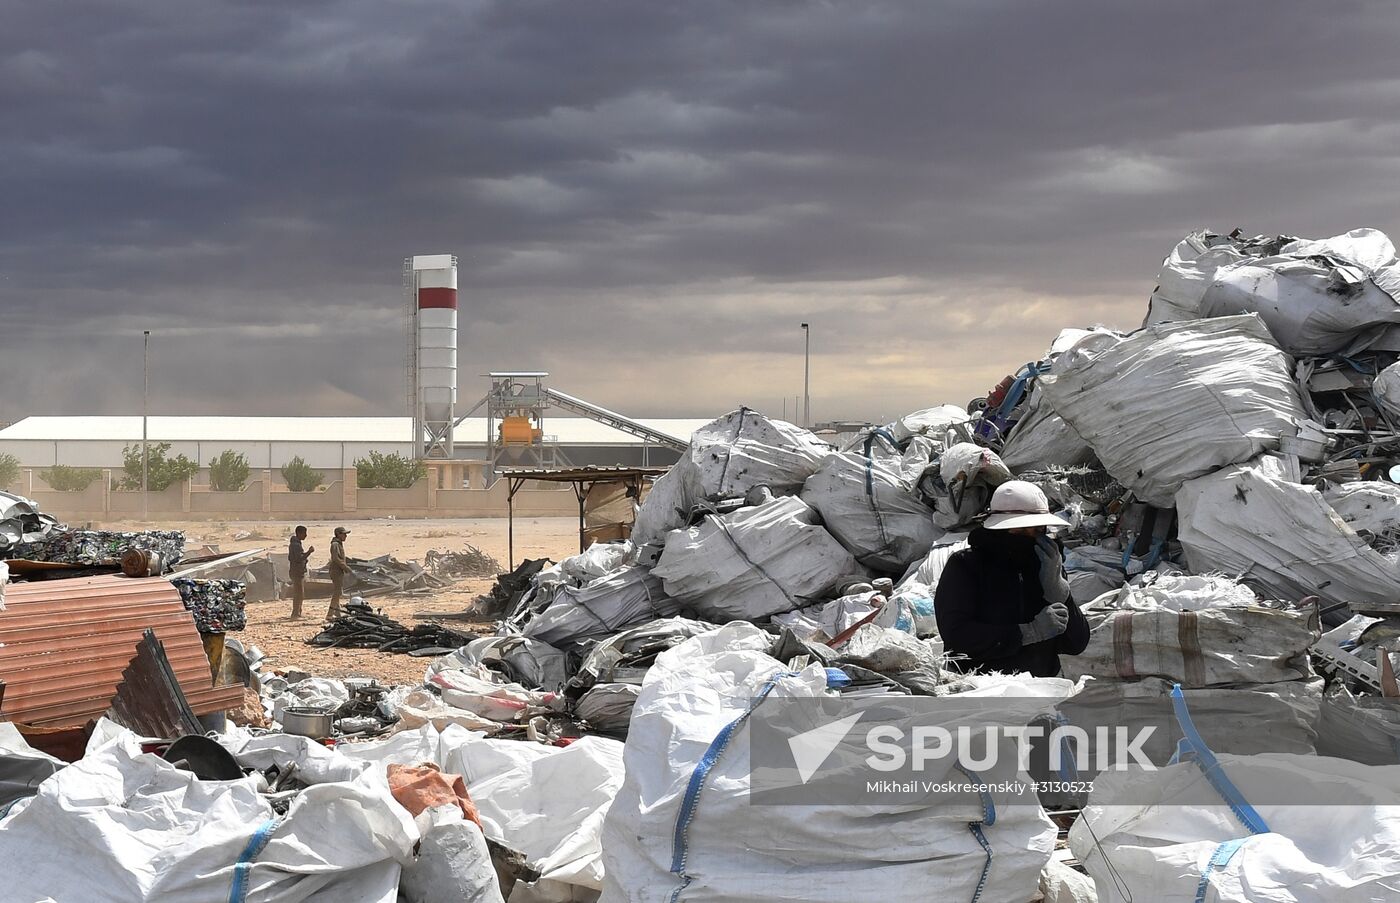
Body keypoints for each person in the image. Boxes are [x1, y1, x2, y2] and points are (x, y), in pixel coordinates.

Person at [934, 480, 1089, 677]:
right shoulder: (966, 566)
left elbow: (1077, 643)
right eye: (1021, 530)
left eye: (1037, 530)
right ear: (998, 529)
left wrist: (1059, 591)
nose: (1031, 537)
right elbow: (957, 637)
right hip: (984, 691)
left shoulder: (1045, 563)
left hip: (1041, 690)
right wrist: (1027, 632)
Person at [287, 525, 314, 619]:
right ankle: (295, 614)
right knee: (299, 594)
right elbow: (299, 558)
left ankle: (298, 612)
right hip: (297, 572)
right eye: (304, 533)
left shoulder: (296, 544)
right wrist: (309, 552)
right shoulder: (296, 545)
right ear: (299, 533)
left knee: (299, 593)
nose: (305, 535)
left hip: (297, 571)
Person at [327, 526, 350, 620]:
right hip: (336, 571)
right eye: (344, 534)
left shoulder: (338, 544)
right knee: (337, 593)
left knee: (338, 592)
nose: (345, 536)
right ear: (338, 534)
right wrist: (345, 567)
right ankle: (329, 614)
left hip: (338, 571)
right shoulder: (335, 544)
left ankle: (338, 614)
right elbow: (335, 558)